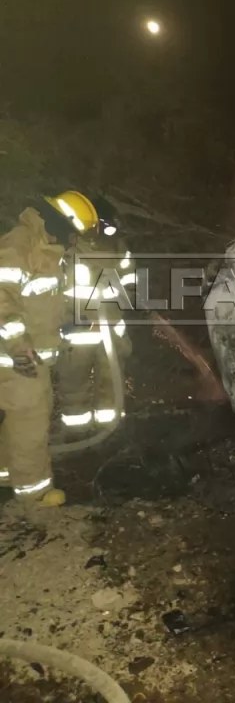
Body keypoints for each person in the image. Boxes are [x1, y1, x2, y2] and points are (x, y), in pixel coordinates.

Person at [0, 190, 99, 508]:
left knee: (16, 421)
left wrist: (67, 322)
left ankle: (6, 477)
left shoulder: (45, 249)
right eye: (74, 232)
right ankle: (36, 497)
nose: (73, 240)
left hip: (25, 357)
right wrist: (19, 346)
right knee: (30, 425)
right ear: (61, 222)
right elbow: (2, 299)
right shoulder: (20, 245)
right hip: (17, 359)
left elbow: (42, 299)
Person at [56, 194, 133, 433]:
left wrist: (122, 306)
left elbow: (129, 282)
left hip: (110, 328)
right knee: (74, 383)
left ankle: (110, 429)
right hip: (78, 330)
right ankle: (76, 432)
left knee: (111, 381)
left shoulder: (118, 247)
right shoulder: (67, 247)